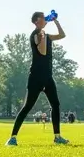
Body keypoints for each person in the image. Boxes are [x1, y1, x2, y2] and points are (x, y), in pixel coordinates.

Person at [7, 11, 69, 146]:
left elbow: (62, 35)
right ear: (36, 21)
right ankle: (12, 138)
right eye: (43, 17)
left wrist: (56, 21)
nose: (45, 18)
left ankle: (57, 137)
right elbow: (42, 52)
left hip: (48, 77)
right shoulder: (35, 35)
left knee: (56, 105)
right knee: (27, 107)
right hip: (35, 77)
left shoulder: (45, 35)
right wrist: (42, 38)